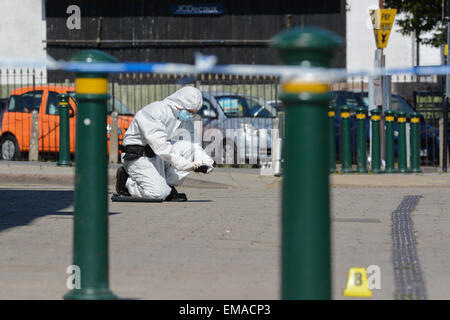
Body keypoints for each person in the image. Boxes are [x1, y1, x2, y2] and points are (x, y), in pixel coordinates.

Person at [115, 86, 214, 201]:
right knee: (158, 194)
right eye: (190, 111)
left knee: (190, 149)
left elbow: (193, 144)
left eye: (194, 113)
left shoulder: (183, 118)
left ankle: (168, 188)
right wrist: (184, 164)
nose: (191, 115)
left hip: (158, 157)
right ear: (180, 104)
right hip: (138, 157)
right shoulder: (155, 112)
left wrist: (206, 163)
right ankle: (127, 182)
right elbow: (161, 146)